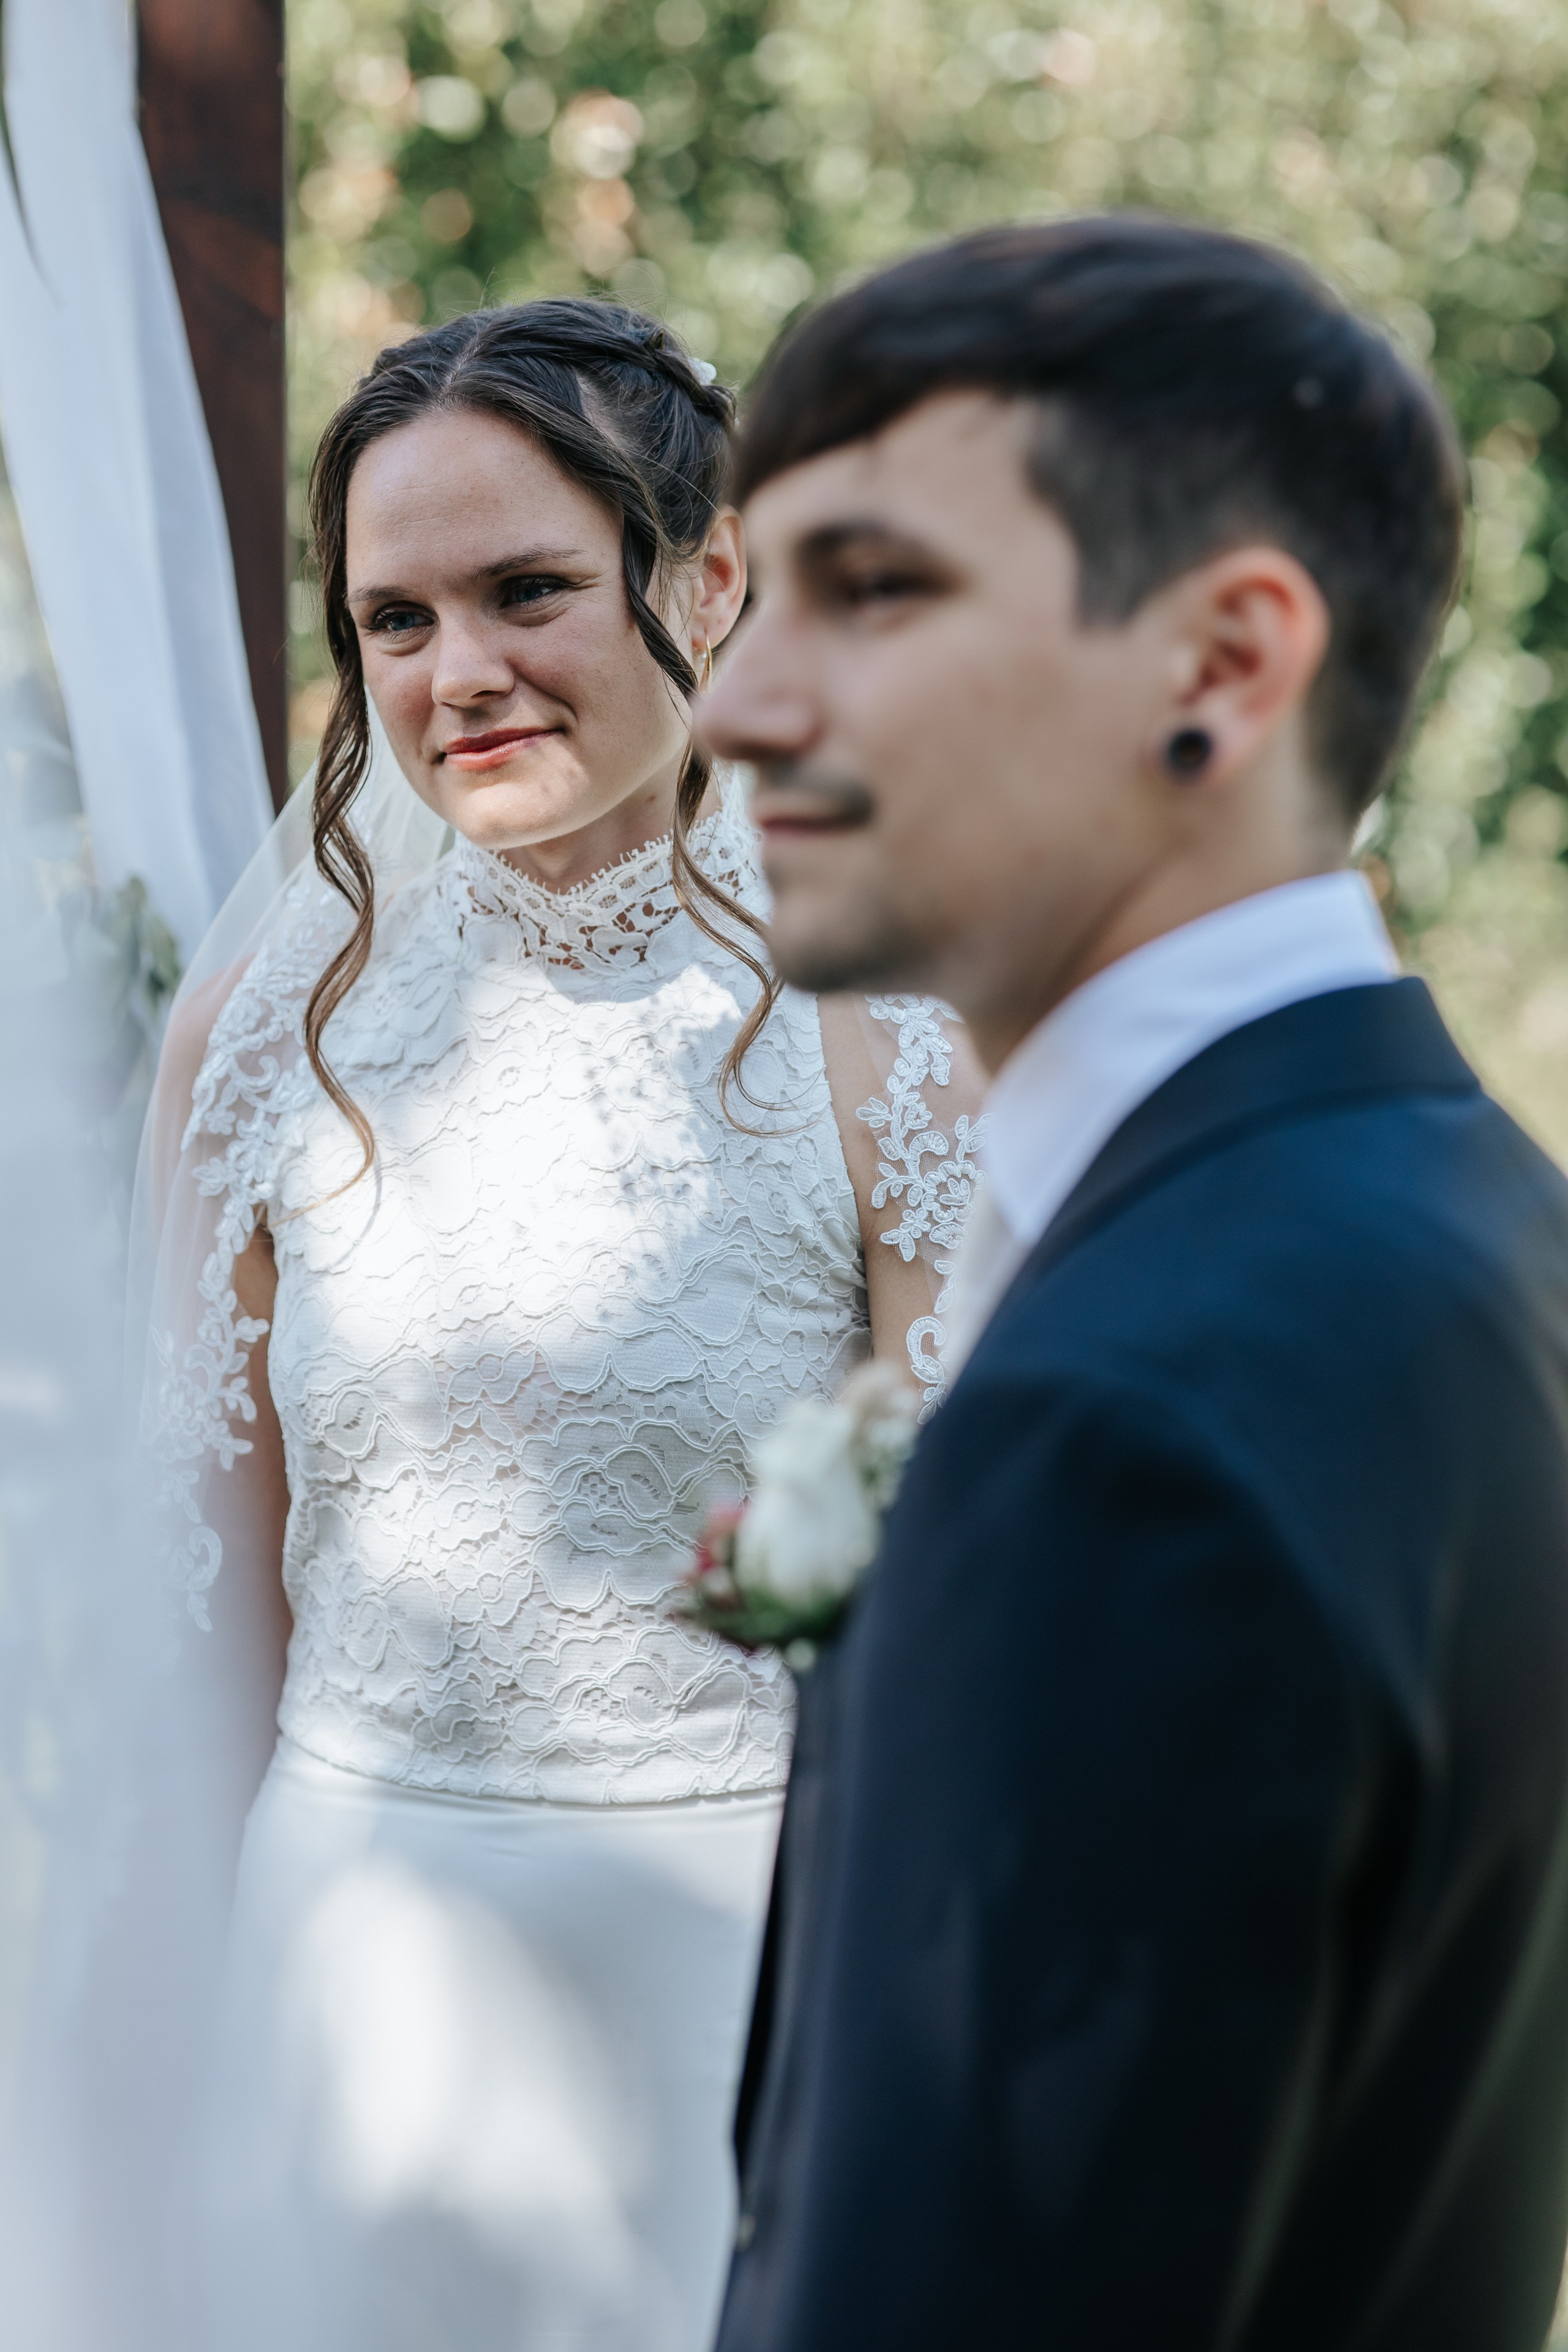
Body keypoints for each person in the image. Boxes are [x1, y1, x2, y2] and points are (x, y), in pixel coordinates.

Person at [699, 217, 1568, 2352]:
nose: (734, 702)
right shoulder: (1470, 1209)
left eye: (874, 588)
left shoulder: (1127, 1419)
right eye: (746, 596)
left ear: (1224, 659)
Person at [136, 301, 981, 2351]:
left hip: (733, 1993)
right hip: (346, 1987)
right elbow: (202, 1635)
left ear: (704, 582)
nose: (458, 674)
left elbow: (963, 1634)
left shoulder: (894, 1029)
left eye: (527, 591)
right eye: (396, 622)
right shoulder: (268, 1045)